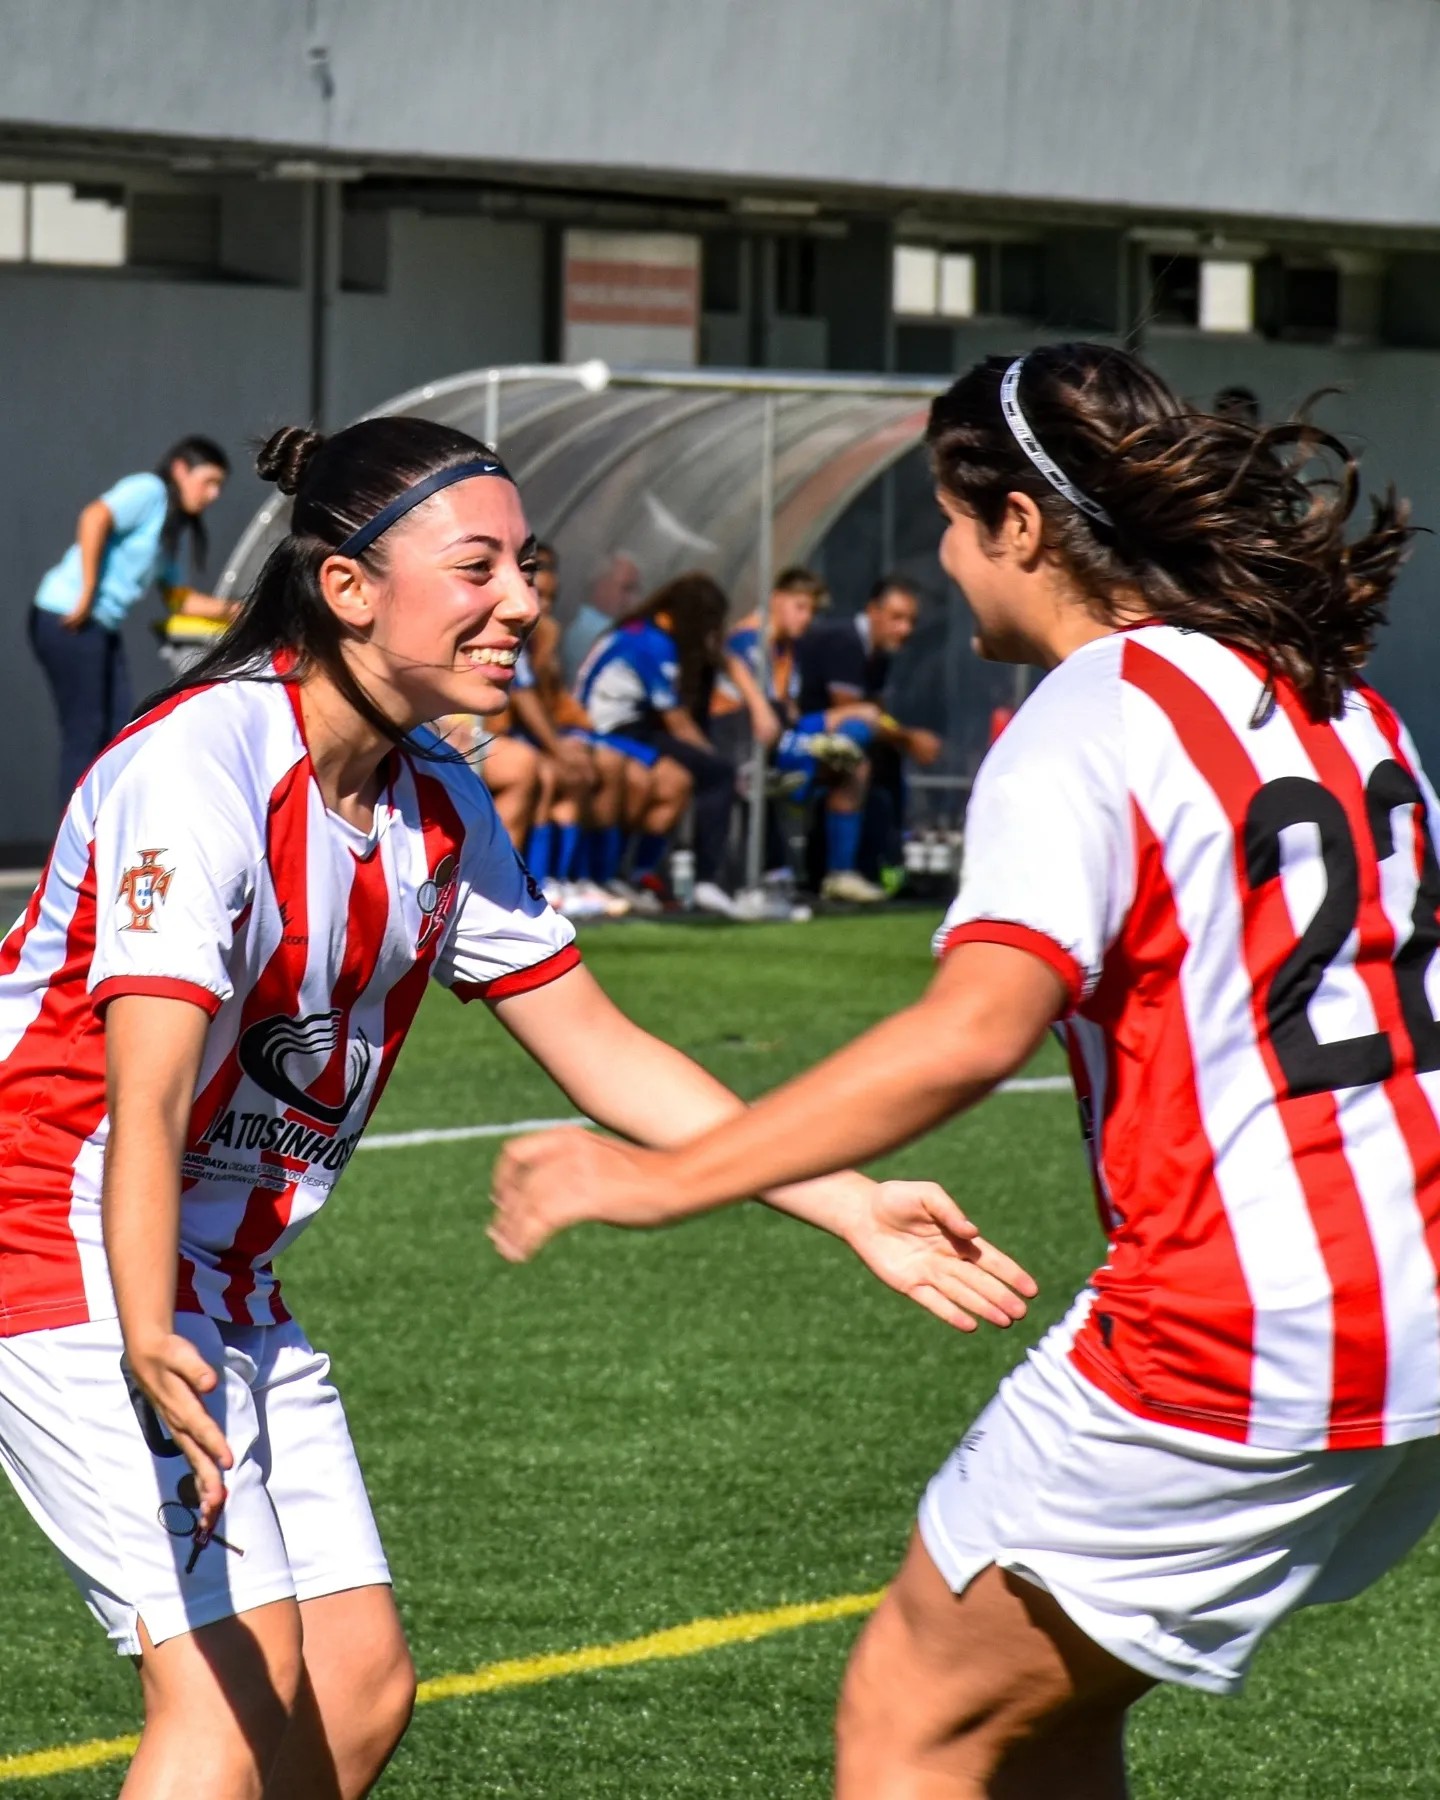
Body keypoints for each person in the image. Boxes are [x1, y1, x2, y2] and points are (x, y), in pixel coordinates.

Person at [0, 412, 1030, 1800]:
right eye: (478, 568)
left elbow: (603, 1049)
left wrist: (850, 1204)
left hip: (214, 1270)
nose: (523, 602)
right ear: (349, 589)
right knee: (226, 1706)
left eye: (527, 567)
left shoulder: (435, 797)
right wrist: (140, 1330)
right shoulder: (202, 767)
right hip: (64, 1247)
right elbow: (146, 1090)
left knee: (357, 1695)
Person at [492, 341, 1440, 1799]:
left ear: (1021, 526)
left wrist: (662, 1177)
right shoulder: (1337, 699)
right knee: (1042, 1727)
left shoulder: (1092, 710)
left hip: (1245, 1319)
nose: (940, 557)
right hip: (1412, 1294)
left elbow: (969, 1031)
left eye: (951, 515)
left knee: (909, 1726)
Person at [30, 436, 233, 809]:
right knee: (86, 733)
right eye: (209, 481)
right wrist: (89, 590)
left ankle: (101, 835)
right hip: (68, 618)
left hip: (99, 627)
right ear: (180, 470)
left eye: (219, 485)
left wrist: (240, 610)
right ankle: (73, 850)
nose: (213, 494)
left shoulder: (169, 529)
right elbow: (95, 516)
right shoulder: (150, 490)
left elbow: (179, 598)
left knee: (119, 729)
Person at [578, 573, 777, 917]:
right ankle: (705, 880)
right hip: (611, 730)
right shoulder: (650, 642)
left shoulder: (651, 632)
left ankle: (639, 876)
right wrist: (712, 759)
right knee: (716, 775)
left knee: (678, 782)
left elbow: (719, 661)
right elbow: (677, 722)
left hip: (630, 725)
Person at [796, 576, 943, 899]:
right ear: (872, 611)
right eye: (897, 618)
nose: (905, 629)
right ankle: (838, 871)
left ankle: (887, 867)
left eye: (911, 621)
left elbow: (877, 711)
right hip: (796, 735)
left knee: (884, 758)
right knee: (855, 748)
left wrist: (900, 737)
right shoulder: (845, 641)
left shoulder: (879, 654)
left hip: (826, 736)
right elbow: (851, 711)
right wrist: (909, 738)